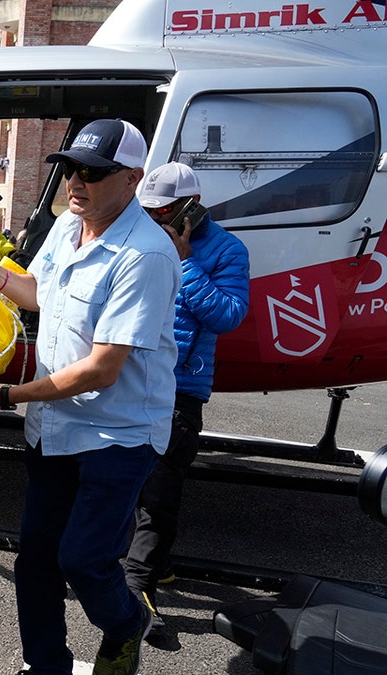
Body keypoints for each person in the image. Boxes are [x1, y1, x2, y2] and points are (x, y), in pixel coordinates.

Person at [0, 119, 180, 675]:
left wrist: (5, 394)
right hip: (55, 427)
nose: (77, 183)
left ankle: (127, 624)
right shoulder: (67, 226)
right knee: (36, 563)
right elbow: (39, 293)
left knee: (84, 559)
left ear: (132, 179)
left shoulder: (145, 254)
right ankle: (47, 665)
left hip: (117, 434)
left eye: (93, 173)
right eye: (71, 169)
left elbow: (102, 369)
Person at [123, 162, 250, 635]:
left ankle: (136, 589)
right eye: (150, 211)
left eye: (164, 212)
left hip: (180, 388)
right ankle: (158, 564)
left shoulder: (226, 250)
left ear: (191, 209)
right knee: (135, 478)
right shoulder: (144, 234)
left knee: (160, 489)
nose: (155, 220)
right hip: (135, 376)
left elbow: (230, 315)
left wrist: (187, 262)